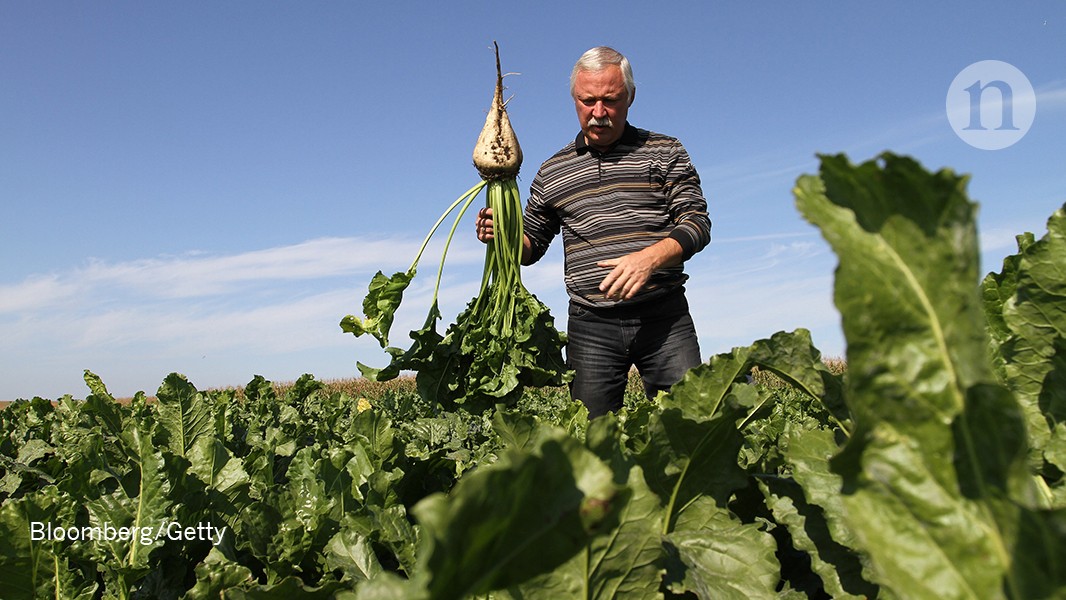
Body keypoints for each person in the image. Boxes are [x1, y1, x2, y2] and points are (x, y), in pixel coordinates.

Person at [475, 46, 711, 418]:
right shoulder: (554, 170)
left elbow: (697, 223)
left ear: (630, 97)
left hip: (664, 320)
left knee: (689, 425)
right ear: (574, 98)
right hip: (591, 328)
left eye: (610, 100)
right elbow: (530, 247)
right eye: (587, 101)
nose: (598, 113)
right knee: (590, 439)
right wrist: (502, 236)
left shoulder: (665, 151)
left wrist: (649, 259)